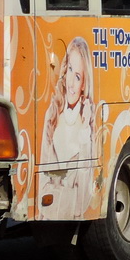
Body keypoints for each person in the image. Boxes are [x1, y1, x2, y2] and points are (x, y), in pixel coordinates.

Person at [40, 37, 96, 217]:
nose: (71, 82)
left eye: (78, 76)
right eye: (70, 69)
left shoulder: (88, 126)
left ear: (84, 85)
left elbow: (82, 202)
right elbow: (41, 187)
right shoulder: (52, 114)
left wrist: (85, 132)